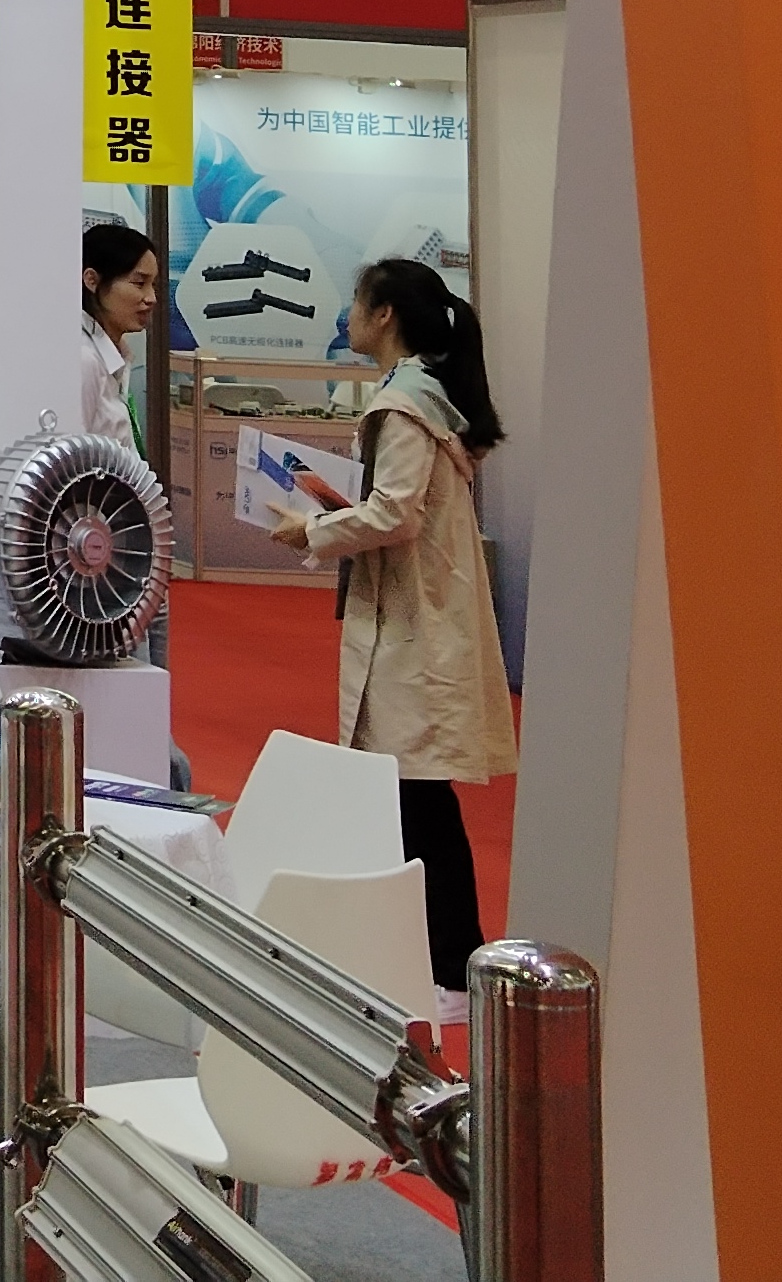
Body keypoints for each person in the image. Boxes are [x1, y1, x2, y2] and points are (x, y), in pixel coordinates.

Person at [266, 254, 515, 1006]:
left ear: (384, 316)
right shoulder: (424, 398)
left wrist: (313, 529)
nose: (346, 316)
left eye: (356, 302)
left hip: (414, 626)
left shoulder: (405, 405)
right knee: (410, 799)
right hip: (415, 616)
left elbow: (394, 514)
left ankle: (450, 966)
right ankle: (426, 958)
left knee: (421, 802)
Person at [79, 219, 160, 447]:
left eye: (153, 285)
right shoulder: (83, 360)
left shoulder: (117, 355)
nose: (151, 298)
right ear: (92, 281)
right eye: (139, 283)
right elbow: (67, 458)